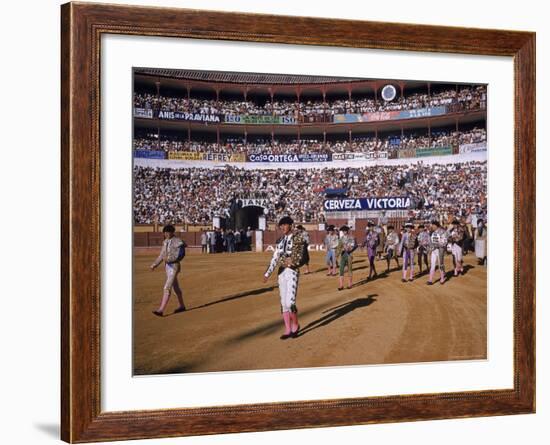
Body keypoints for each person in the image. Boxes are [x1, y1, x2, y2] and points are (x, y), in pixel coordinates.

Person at [263, 216, 306, 340]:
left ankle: (295, 325)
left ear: (290, 225)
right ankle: (287, 329)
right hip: (282, 273)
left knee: (290, 302)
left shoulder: (298, 238)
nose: (282, 227)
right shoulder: (281, 241)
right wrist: (267, 273)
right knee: (283, 304)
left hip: (292, 272)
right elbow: (275, 258)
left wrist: (290, 261)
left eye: (284, 225)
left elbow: (299, 257)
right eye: (280, 225)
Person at [150, 225, 187, 316]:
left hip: (174, 266)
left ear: (172, 232)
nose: (166, 234)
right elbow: (162, 255)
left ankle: (161, 310)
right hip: (167, 267)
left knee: (167, 287)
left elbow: (181, 255)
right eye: (165, 232)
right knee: (176, 288)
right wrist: (155, 264)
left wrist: (169, 259)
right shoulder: (165, 242)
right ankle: (182, 306)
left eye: (167, 232)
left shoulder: (178, 241)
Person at [336, 225, 357, 290]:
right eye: (343, 231)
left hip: (349, 255)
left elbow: (353, 246)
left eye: (345, 231)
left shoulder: (351, 238)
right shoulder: (341, 239)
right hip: (343, 255)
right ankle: (341, 285)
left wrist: (348, 248)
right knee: (341, 269)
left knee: (349, 269)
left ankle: (350, 284)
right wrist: (337, 254)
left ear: (347, 231)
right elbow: (339, 248)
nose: (344, 232)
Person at [427, 220, 448, 285]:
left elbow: (444, 242)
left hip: (440, 250)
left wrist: (436, 245)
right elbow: (430, 241)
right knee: (432, 265)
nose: (432, 227)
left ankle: (442, 278)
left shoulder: (443, 232)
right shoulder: (432, 233)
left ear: (436, 225)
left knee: (440, 264)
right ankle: (430, 280)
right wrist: (431, 248)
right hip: (434, 250)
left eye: (433, 225)